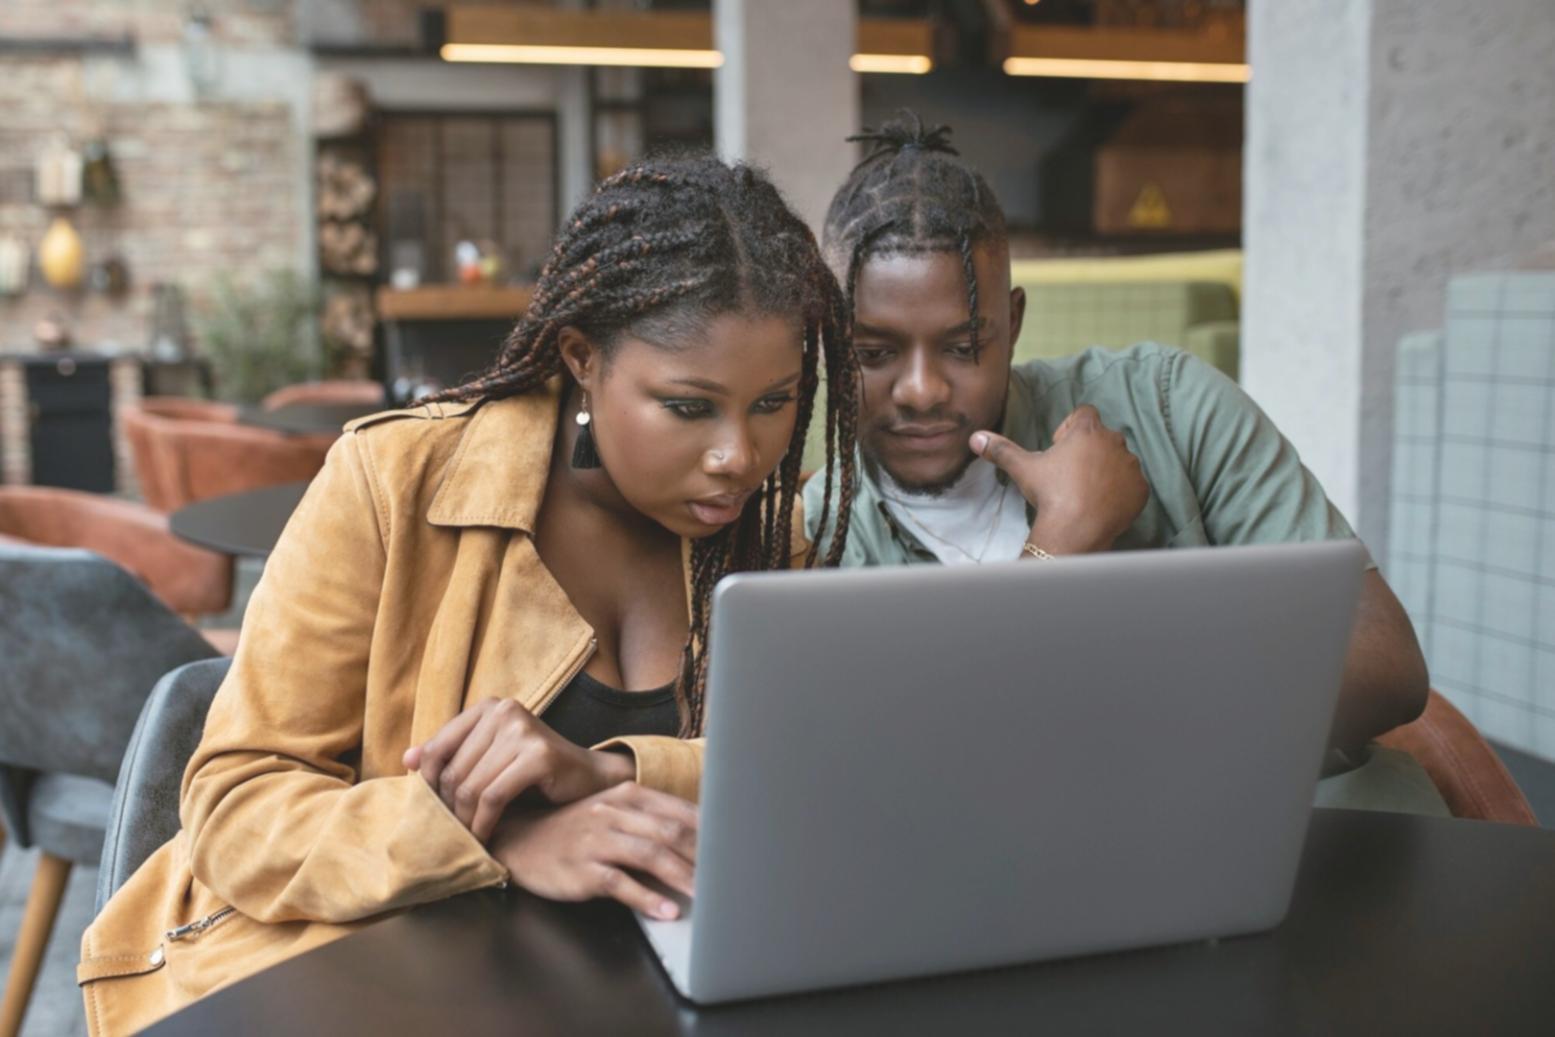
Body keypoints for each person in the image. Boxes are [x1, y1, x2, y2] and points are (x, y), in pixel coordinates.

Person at [80, 155, 858, 1036]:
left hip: (647, 987)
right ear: (582, 358)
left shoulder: (767, 533)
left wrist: (607, 772)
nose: (738, 454)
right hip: (387, 984)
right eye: (688, 407)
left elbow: (795, 781)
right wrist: (494, 840)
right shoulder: (394, 484)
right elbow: (235, 812)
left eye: (775, 402)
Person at [801, 112, 1442, 812]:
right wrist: (1062, 544)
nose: (921, 390)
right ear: (831, 338)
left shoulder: (1165, 405)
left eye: (962, 347)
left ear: (1011, 324)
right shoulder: (822, 532)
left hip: (1290, 828)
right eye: (873, 353)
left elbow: (1387, 664)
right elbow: (924, 778)